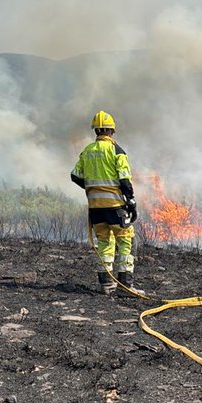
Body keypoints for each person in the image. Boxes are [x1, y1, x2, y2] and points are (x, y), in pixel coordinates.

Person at [70, 110, 142, 296]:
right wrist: (131, 202)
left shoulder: (87, 151)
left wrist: (93, 189)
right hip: (115, 207)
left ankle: (106, 285)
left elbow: (75, 175)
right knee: (127, 241)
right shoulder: (117, 151)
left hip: (96, 209)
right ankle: (125, 286)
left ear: (96, 131)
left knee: (104, 242)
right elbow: (125, 180)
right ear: (111, 131)